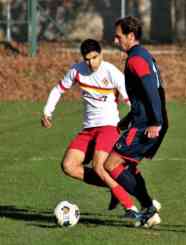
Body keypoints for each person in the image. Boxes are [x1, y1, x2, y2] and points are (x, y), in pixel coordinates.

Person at [97, 16, 168, 228]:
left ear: (131, 36)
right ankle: (148, 208)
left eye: (119, 37)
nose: (115, 40)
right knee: (129, 167)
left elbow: (152, 92)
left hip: (146, 125)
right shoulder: (143, 55)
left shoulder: (136, 59)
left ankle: (148, 207)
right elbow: (147, 94)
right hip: (144, 121)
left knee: (110, 164)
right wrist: (127, 119)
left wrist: (155, 121)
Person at [41, 38, 130, 197]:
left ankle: (131, 205)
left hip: (109, 126)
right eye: (87, 59)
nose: (91, 63)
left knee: (99, 167)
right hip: (88, 129)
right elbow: (58, 90)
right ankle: (122, 186)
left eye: (95, 58)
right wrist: (48, 111)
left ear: (101, 54)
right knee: (68, 166)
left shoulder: (112, 72)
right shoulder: (77, 71)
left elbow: (130, 99)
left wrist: (139, 123)